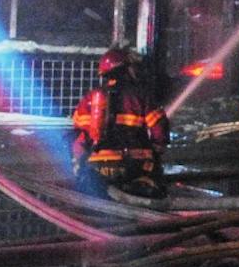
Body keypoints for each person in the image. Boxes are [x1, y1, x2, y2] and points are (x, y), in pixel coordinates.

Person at [70, 47, 169, 198]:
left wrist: (79, 165)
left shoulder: (90, 99)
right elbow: (160, 129)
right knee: (155, 188)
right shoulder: (141, 95)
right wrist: (157, 149)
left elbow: (79, 135)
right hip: (134, 166)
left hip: (97, 167)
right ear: (125, 69)